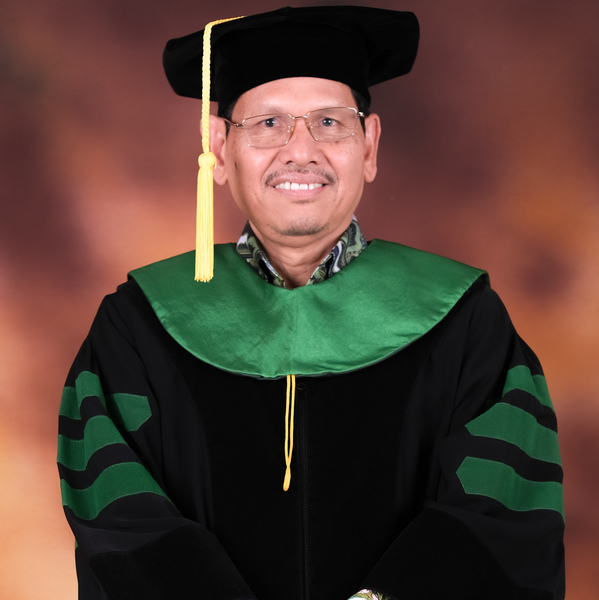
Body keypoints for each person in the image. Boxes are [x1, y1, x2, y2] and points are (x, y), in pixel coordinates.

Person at [57, 6, 565, 600]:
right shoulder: (139, 325)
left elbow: (502, 510)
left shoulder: (464, 319)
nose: (301, 151)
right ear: (219, 148)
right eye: (268, 123)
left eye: (329, 122)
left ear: (369, 146)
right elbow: (119, 515)